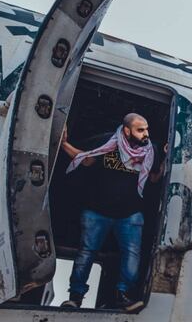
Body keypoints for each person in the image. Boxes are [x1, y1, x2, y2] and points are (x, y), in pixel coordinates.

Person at [59, 112, 163, 311]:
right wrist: (63, 144)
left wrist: (166, 159)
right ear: (127, 130)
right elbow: (87, 160)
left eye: (147, 129)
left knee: (132, 255)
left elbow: (153, 178)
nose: (145, 134)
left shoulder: (151, 150)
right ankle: (75, 297)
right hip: (97, 211)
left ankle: (122, 296)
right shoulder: (107, 141)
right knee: (86, 253)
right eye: (140, 130)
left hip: (130, 214)